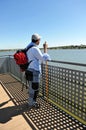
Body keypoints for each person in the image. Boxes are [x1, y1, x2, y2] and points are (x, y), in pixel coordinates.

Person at [25, 33, 51, 109]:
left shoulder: (28, 47)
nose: (40, 41)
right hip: (34, 71)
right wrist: (45, 48)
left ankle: (30, 101)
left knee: (31, 87)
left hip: (29, 69)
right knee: (35, 88)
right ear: (37, 40)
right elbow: (43, 58)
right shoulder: (35, 48)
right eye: (39, 40)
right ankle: (32, 103)